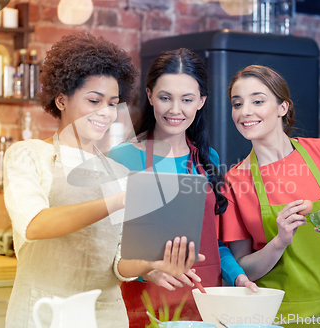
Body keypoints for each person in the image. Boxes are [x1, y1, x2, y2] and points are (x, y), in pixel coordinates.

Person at [3, 33, 200, 328]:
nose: (105, 113)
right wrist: (118, 200)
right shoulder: (29, 156)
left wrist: (150, 263)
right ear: (61, 99)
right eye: (94, 100)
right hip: (43, 313)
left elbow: (118, 262)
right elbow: (34, 225)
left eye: (113, 103)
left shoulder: (118, 172)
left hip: (105, 316)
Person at [107, 48, 257, 327]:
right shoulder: (122, 158)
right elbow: (106, 248)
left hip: (204, 303)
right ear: (150, 96)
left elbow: (213, 242)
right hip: (146, 306)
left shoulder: (207, 158)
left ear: (201, 101)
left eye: (187, 99)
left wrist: (238, 276)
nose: (175, 110)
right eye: (165, 98)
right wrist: (145, 271)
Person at [219, 65, 320, 321]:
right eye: (237, 103)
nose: (245, 111)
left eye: (257, 101)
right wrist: (279, 242)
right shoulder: (234, 181)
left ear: (283, 108)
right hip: (278, 316)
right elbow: (243, 268)